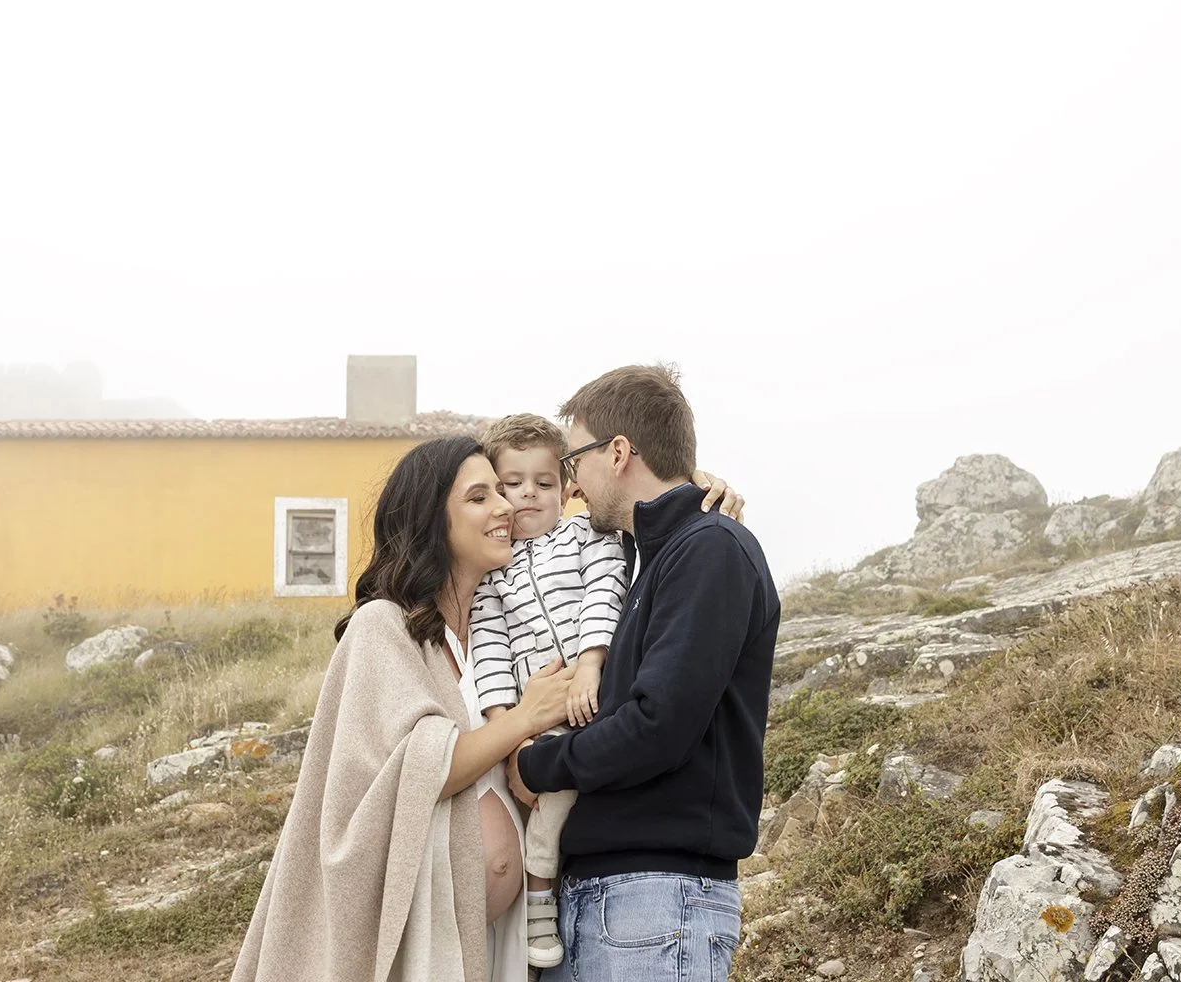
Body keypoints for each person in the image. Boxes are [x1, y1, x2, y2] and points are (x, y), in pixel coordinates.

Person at [232, 436, 574, 982]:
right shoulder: (383, 627)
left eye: (501, 492)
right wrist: (525, 720)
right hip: (421, 944)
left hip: (498, 945)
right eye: (479, 497)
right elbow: (420, 769)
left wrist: (692, 491)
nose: (506, 507)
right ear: (432, 519)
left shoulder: (497, 633)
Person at [508, 365, 781, 982]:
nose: (571, 483)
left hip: (655, 901)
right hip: (615, 902)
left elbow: (659, 724)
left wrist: (533, 765)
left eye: (574, 459)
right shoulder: (652, 559)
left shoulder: (709, 548)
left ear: (620, 452)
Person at [468, 413, 744, 972]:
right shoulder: (491, 575)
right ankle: (541, 892)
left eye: (551, 478)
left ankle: (539, 891)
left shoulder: (600, 537)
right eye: (509, 485)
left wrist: (696, 484)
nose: (527, 495)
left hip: (652, 889)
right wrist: (511, 729)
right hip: (587, 884)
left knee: (555, 799)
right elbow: (491, 651)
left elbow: (609, 586)